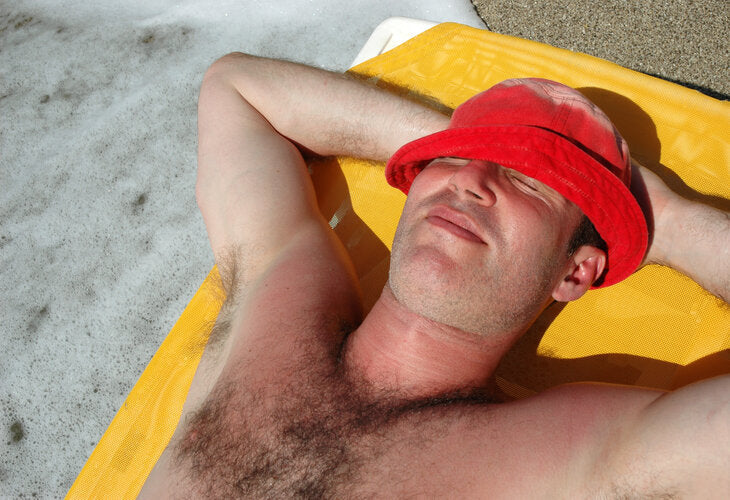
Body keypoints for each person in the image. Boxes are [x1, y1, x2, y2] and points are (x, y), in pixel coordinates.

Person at [139, 53, 729, 498]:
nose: (468, 181)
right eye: (448, 161)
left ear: (574, 271)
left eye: (526, 182)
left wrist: (669, 224)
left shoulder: (585, 456)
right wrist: (474, 143)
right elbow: (236, 91)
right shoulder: (278, 303)